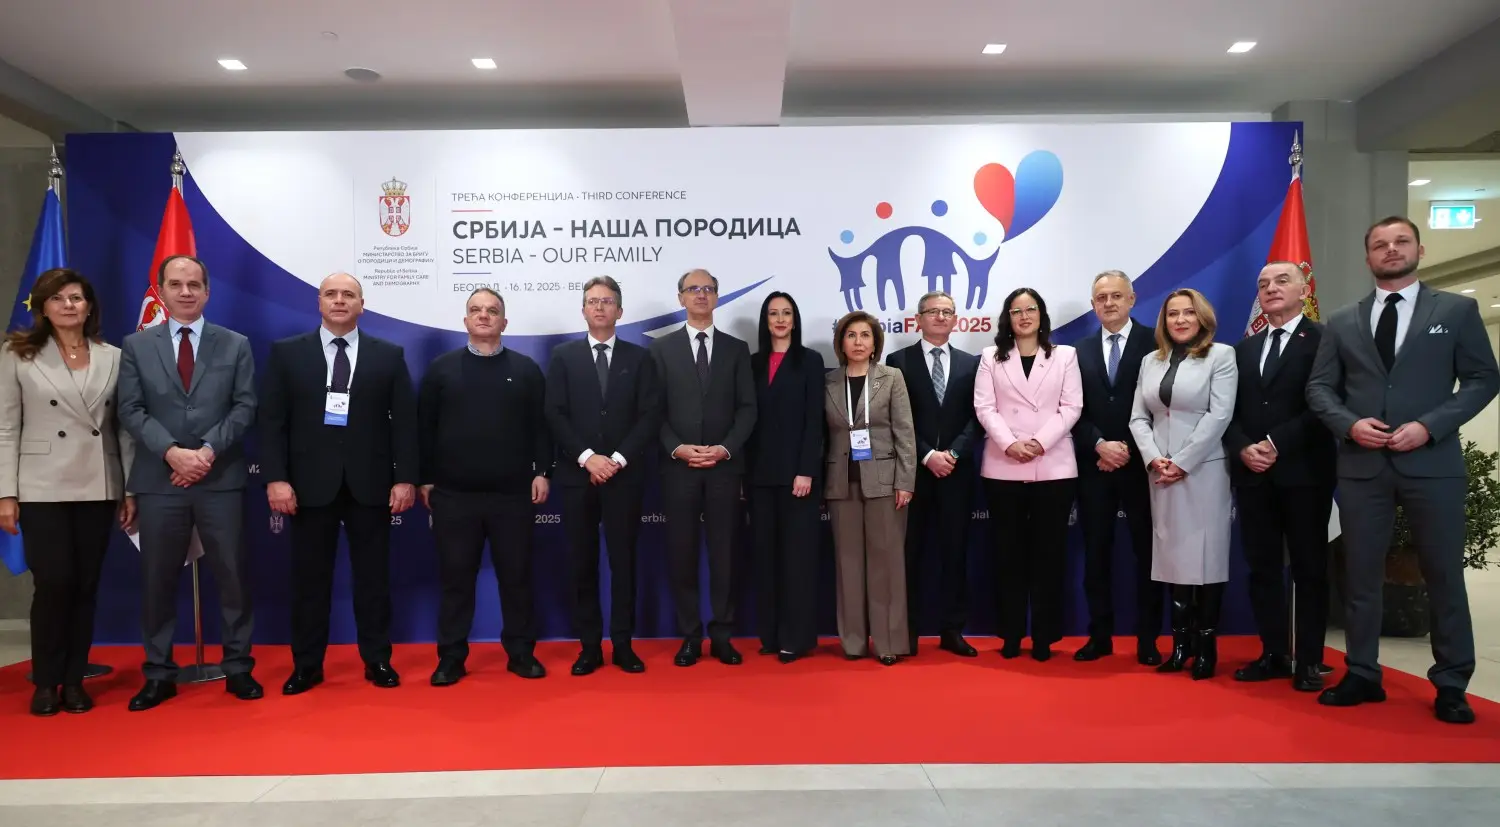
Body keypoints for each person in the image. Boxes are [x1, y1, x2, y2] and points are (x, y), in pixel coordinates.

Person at [1307, 216, 1499, 724]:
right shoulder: (1343, 320)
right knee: (1360, 576)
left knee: (1443, 575)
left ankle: (1452, 682)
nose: (1391, 250)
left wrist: (1429, 426)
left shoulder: (1456, 310)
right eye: (1380, 245)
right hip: (1362, 466)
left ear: (1419, 249)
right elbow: (1320, 388)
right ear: (1368, 256)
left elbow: (1483, 379)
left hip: (1432, 464)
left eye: (1401, 242)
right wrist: (1349, 425)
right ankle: (1362, 673)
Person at [259, 273, 419, 695]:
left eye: (349, 294)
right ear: (319, 302)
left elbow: (405, 424)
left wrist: (405, 478)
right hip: (308, 486)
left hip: (371, 484)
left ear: (362, 305)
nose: (340, 300)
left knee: (373, 581)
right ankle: (307, 665)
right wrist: (276, 478)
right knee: (310, 582)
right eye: (331, 294)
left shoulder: (389, 355)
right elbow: (271, 422)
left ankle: (377, 660)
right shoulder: (287, 353)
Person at [116, 255, 261, 710]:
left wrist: (206, 452)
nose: (185, 292)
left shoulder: (235, 344)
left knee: (233, 577)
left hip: (220, 478)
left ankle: (238, 667)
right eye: (176, 284)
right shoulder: (136, 345)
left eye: (194, 284)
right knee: (158, 581)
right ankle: (159, 674)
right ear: (161, 291)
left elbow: (244, 406)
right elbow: (130, 409)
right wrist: (172, 452)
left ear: (207, 292)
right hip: (160, 481)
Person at [0, 269, 135, 716]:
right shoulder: (18, 353)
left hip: (98, 481)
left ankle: (74, 681)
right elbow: (6, 428)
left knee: (84, 585)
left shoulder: (113, 357)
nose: (68, 305)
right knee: (54, 582)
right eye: (58, 298)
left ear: (89, 305)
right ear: (43, 307)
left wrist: (129, 488)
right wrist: (5, 493)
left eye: (76, 297)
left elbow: (123, 430)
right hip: (41, 485)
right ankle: (45, 681)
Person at [420, 289, 553, 684]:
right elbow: (423, 429)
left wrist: (542, 471)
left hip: (512, 496)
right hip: (454, 496)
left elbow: (541, 428)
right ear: (465, 321)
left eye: (492, 311)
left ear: (504, 322)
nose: (483, 316)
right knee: (456, 581)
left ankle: (521, 653)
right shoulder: (441, 370)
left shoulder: (526, 370)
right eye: (475, 310)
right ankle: (451, 658)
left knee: (517, 578)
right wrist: (424, 478)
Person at [1224, 262, 1336, 693]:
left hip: (1304, 473)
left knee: (1309, 569)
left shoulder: (1325, 341)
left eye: (1282, 281)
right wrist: (1242, 447)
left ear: (1305, 290)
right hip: (1253, 474)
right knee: (1262, 568)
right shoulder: (1243, 349)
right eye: (1263, 284)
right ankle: (1273, 653)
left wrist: (1275, 443)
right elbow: (1228, 410)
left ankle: (1308, 659)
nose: (1271, 288)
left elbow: (1326, 405)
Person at [545, 276, 659, 675]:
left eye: (607, 301)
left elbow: (649, 415)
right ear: (583, 310)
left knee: (624, 563)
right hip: (577, 476)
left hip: (624, 477)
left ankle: (623, 644)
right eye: (592, 301)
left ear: (619, 311)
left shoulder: (640, 358)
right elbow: (554, 413)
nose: (599, 307)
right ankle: (589, 647)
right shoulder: (563, 356)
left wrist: (617, 460)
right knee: (582, 563)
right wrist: (588, 458)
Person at [648, 269, 756, 667]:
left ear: (716, 297)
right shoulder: (660, 350)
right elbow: (652, 410)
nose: (700, 295)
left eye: (708, 289)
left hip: (724, 468)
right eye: (692, 289)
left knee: (724, 555)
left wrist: (725, 449)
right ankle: (690, 636)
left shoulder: (736, 349)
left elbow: (747, 408)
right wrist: (676, 448)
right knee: (682, 554)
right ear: (680, 298)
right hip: (679, 469)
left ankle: (723, 635)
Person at [1128, 288, 1237, 680]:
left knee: (1206, 558)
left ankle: (1206, 649)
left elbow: (1219, 415)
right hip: (1160, 472)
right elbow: (1138, 417)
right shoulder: (1150, 360)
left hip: (1203, 470)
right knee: (1172, 559)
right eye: (1172, 314)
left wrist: (1183, 461)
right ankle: (1180, 646)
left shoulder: (1221, 355)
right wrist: (1153, 457)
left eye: (1188, 313)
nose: (1180, 320)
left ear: (1202, 317)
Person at [973, 288, 1082, 661]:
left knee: (1049, 556)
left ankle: (1044, 637)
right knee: (1008, 556)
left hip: (1053, 466)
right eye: (1016, 310)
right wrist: (1010, 444)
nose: (1023, 316)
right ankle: (1011, 635)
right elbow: (985, 407)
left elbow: (1071, 406)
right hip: (1003, 466)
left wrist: (1038, 442)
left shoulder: (1065, 355)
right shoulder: (990, 357)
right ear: (1008, 317)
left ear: (1041, 315)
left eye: (1030, 309)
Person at [1071, 271, 1163, 665]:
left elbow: (1165, 404)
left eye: (1116, 296)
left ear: (1132, 299)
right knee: (1096, 556)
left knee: (1148, 555)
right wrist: (1100, 445)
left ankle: (1148, 639)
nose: (1108, 303)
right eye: (1101, 298)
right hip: (1095, 467)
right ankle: (1100, 636)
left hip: (1144, 466)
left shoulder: (1156, 343)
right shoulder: (1078, 351)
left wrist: (1128, 447)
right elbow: (1071, 409)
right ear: (1093, 304)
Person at [885, 291, 981, 657]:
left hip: (957, 472)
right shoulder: (898, 362)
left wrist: (952, 453)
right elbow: (896, 418)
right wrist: (927, 455)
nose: (941, 317)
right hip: (913, 473)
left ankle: (952, 630)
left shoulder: (971, 363)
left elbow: (978, 416)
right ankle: (906, 632)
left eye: (947, 312)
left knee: (954, 554)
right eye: (933, 312)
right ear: (918, 319)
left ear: (955, 319)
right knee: (909, 555)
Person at [825, 311, 916, 665]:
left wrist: (905, 482)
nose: (858, 342)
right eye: (851, 335)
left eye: (865, 335)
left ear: (876, 342)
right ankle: (853, 642)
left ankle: (889, 642)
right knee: (847, 565)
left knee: (886, 564)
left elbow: (905, 433)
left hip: (885, 483)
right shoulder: (829, 381)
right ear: (841, 343)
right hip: (841, 483)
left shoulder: (891, 378)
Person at [746, 292, 825, 663]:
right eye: (773, 313)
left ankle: (797, 637)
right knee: (766, 559)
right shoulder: (752, 363)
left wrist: (806, 470)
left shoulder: (810, 361)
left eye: (786, 313)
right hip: (759, 477)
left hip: (798, 478)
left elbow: (814, 420)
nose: (780, 319)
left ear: (795, 320)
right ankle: (771, 634)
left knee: (797, 560)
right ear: (765, 320)